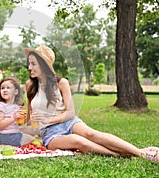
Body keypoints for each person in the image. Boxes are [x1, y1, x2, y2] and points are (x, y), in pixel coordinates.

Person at [23, 44, 159, 162]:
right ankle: (123, 154)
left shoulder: (61, 83)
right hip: (50, 133)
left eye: (33, 63)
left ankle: (142, 153)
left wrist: (49, 119)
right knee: (78, 141)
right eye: (29, 63)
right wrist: (22, 125)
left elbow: (70, 113)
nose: (29, 67)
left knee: (91, 134)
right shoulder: (29, 86)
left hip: (67, 122)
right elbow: (30, 120)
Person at [0, 77, 36, 147]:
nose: (5, 90)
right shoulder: (1, 106)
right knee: (32, 140)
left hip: (14, 133)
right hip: (5, 136)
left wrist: (24, 118)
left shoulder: (16, 107)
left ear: (16, 92)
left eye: (8, 88)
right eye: (2, 88)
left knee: (35, 131)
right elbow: (0, 125)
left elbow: (19, 124)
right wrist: (13, 117)